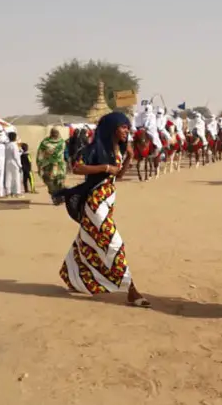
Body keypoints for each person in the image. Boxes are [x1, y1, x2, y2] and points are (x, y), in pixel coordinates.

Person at [53, 111, 150, 308]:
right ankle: (131, 290)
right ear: (112, 128)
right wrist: (105, 167)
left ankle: (71, 275)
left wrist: (129, 158)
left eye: (127, 127)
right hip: (95, 202)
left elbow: (118, 176)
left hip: (108, 200)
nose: (127, 131)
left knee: (87, 239)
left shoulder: (120, 148)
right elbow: (77, 168)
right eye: (123, 127)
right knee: (114, 243)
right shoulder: (95, 148)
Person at [36, 128, 67, 195]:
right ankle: (58, 195)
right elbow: (63, 152)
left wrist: (39, 164)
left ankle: (55, 194)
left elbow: (40, 153)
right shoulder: (62, 142)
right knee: (58, 181)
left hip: (48, 165)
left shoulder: (45, 142)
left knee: (50, 181)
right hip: (59, 165)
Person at [4, 131, 24, 196]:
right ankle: (17, 192)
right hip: (14, 163)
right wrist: (20, 165)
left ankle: (8, 192)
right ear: (15, 137)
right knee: (16, 178)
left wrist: (19, 153)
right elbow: (16, 156)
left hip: (7, 162)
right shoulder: (14, 145)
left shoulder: (7, 145)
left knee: (8, 177)